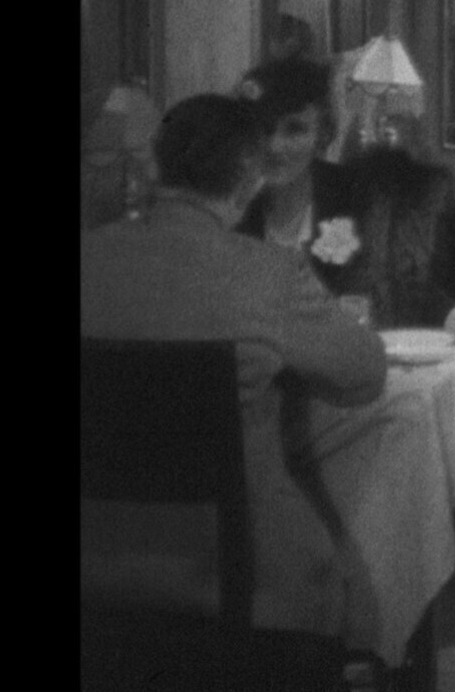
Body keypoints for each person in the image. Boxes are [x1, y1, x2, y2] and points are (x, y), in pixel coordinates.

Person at [81, 93, 386, 648]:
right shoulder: (268, 275)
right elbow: (364, 376)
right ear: (250, 177)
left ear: (156, 167)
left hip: (95, 569)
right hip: (241, 582)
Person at [234, 57, 361, 296]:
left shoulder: (353, 197)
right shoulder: (230, 205)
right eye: (265, 128)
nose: (274, 146)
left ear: (322, 134)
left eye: (294, 130)